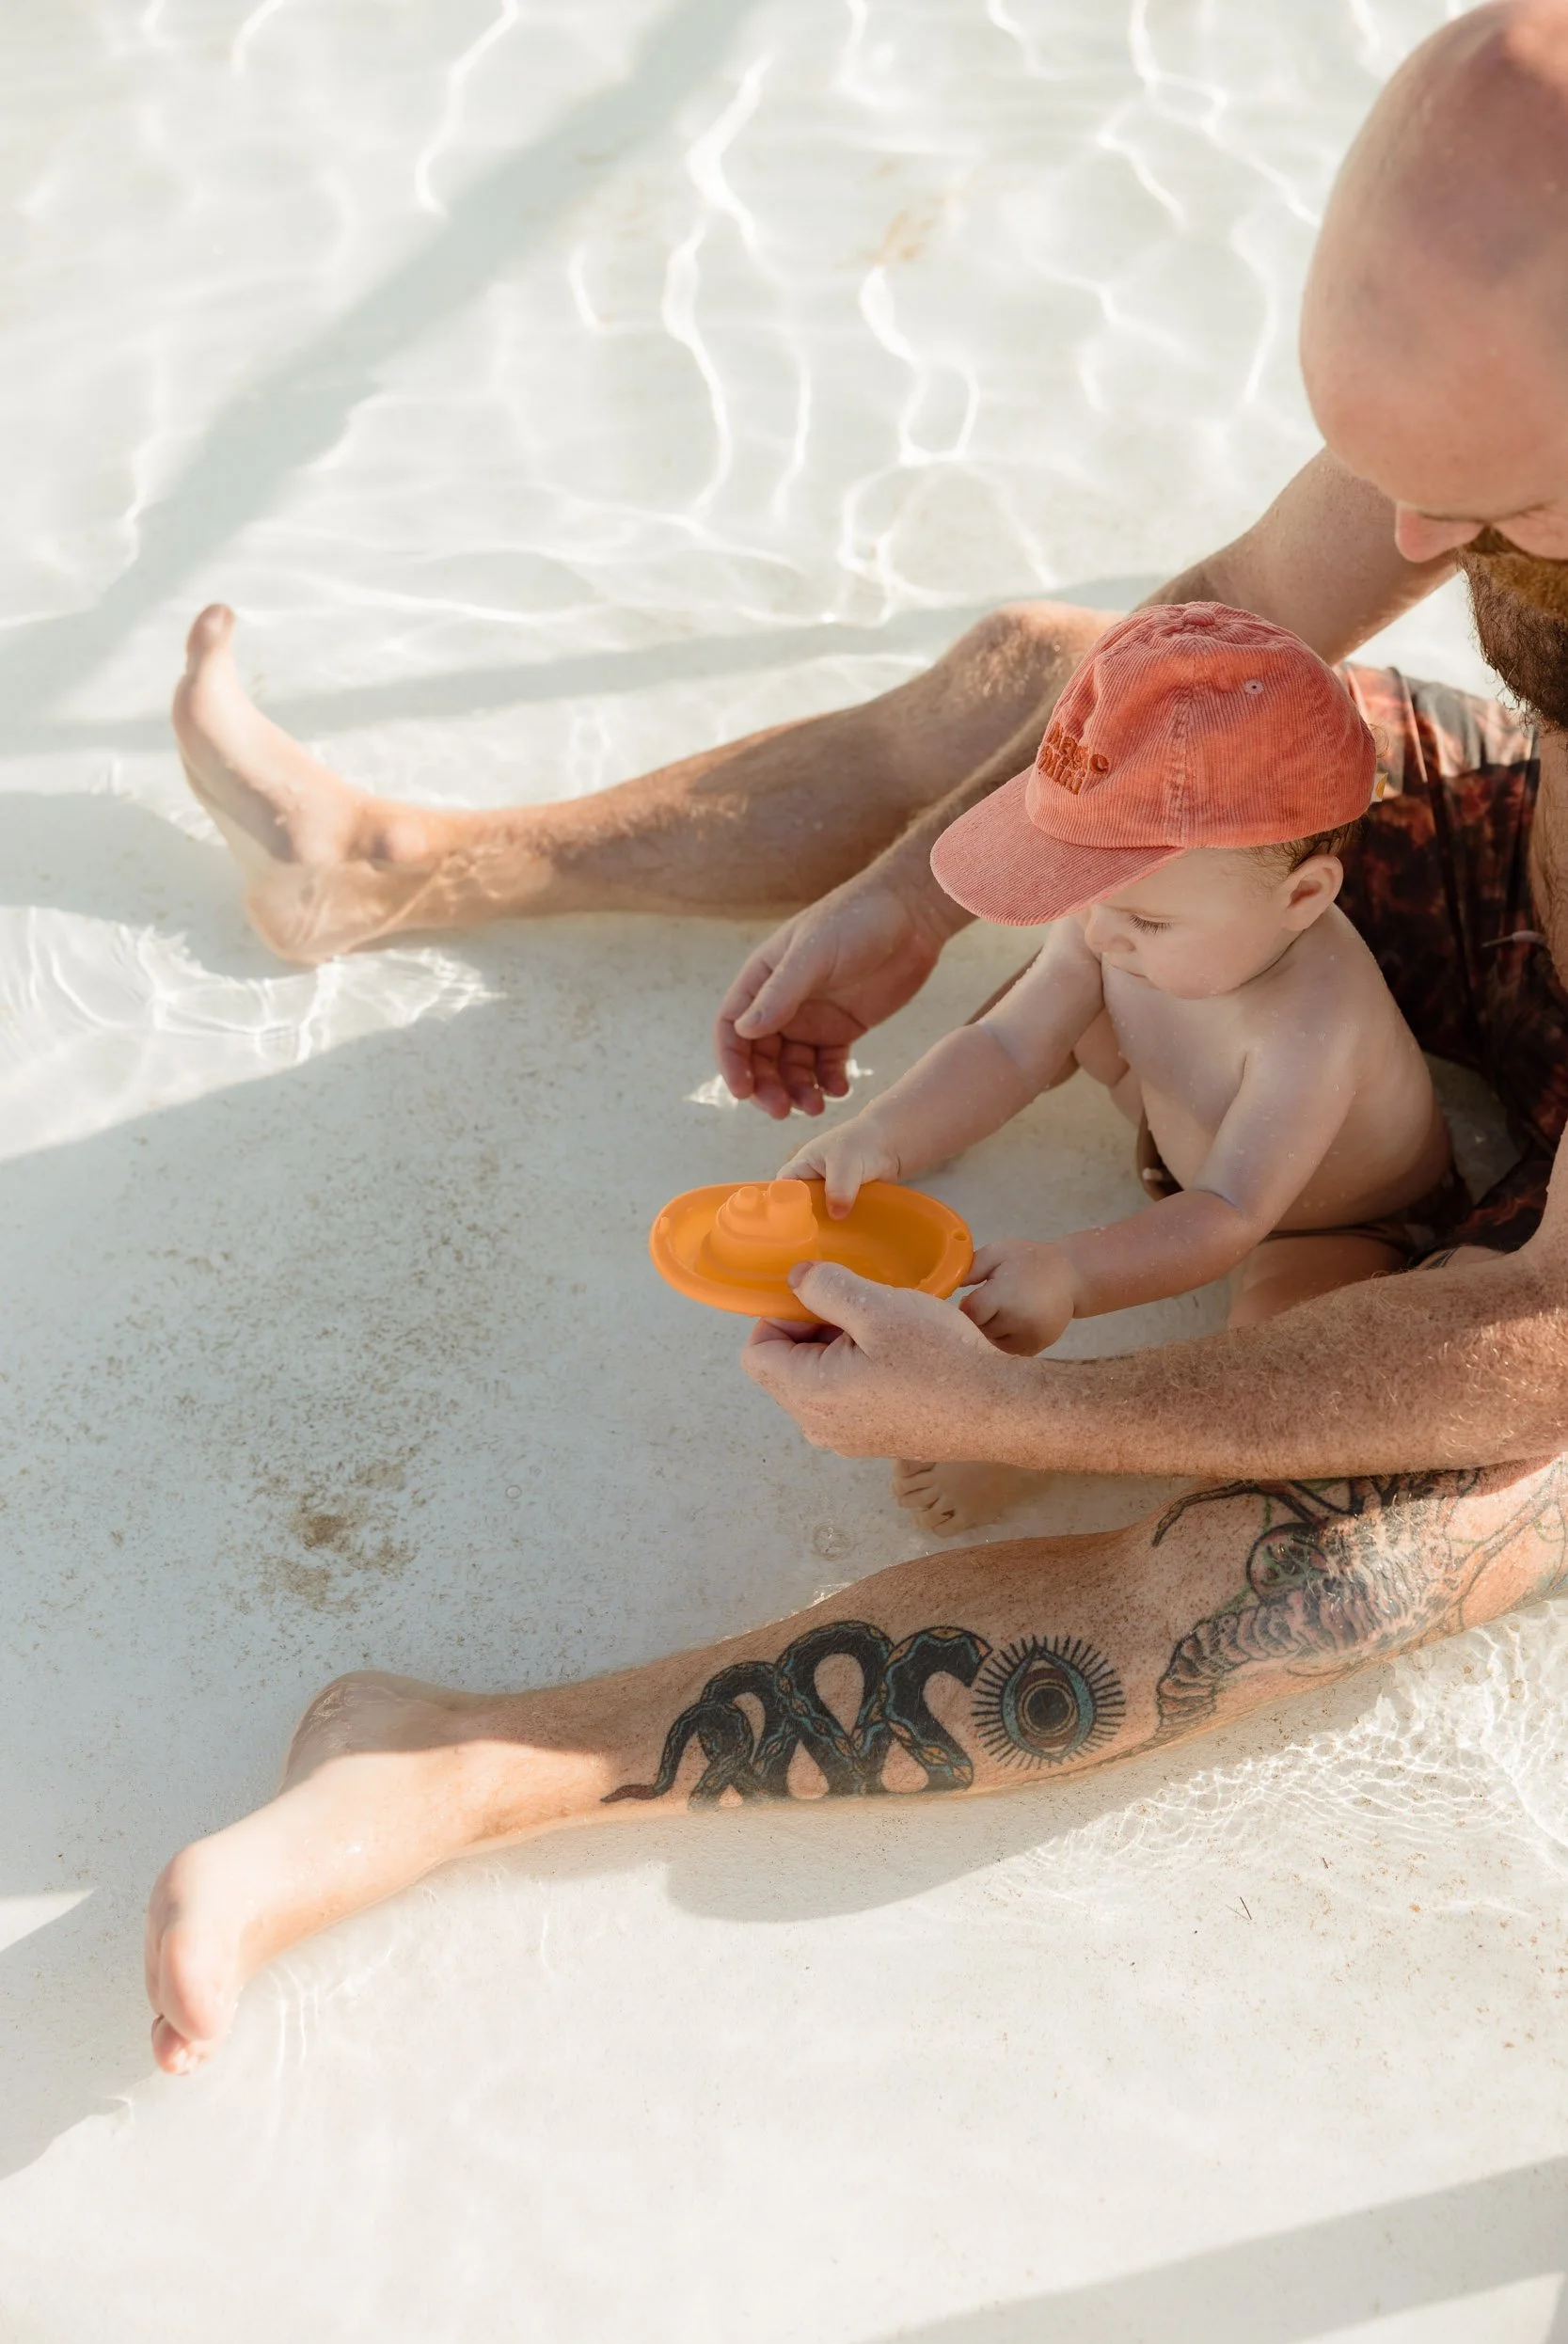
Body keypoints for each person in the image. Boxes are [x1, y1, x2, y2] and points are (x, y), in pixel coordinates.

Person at [147, 2, 1568, 2075]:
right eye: (1391, 473)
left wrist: (1033, 1409)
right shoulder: (1491, 358)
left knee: (1296, 1584)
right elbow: (1250, 589)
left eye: (1476, 507)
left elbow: (1533, 1329)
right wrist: (924, 881)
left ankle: (475, 1758)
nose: (1409, 545)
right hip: (1508, 849)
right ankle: (401, 861)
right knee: (1064, 677)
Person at [779, 604, 1463, 1528]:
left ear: (1301, 896)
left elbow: (1227, 1215)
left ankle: (1047, 1453)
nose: (1098, 932)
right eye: (1088, 895)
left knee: (1268, 1368)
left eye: (1142, 921)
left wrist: (1070, 1273)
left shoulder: (1315, 1024)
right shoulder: (1129, 916)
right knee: (1056, 1021)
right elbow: (1007, 1044)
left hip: (1328, 1222)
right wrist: (881, 1136)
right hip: (1177, 1125)